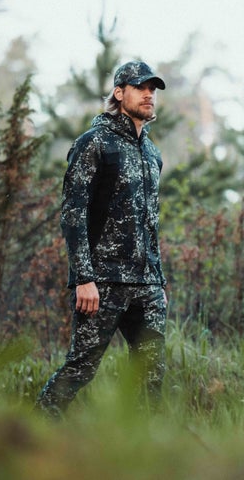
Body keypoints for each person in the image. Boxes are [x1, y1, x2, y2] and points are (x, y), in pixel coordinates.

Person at [36, 61, 169, 417]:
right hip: (104, 282)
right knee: (81, 367)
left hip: (147, 283)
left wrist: (158, 280)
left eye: (152, 89)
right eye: (140, 87)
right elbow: (73, 214)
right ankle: (33, 433)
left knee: (151, 373)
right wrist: (84, 278)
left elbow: (150, 220)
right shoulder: (95, 143)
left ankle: (146, 453)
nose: (148, 94)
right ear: (119, 92)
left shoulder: (152, 153)